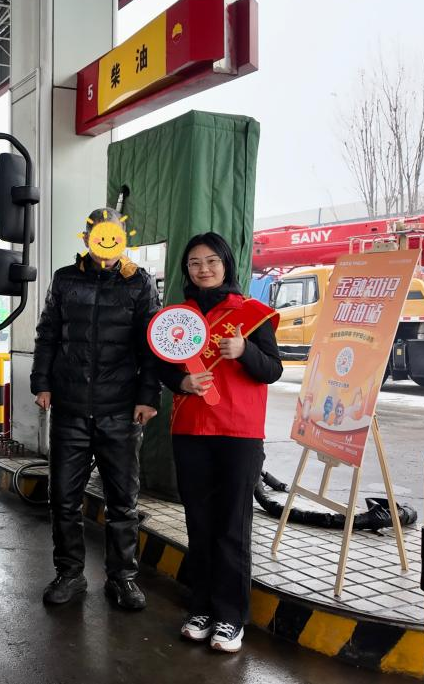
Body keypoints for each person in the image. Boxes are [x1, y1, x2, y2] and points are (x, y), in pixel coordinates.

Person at [156, 232, 282, 652]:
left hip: (239, 434)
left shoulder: (252, 314)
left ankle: (231, 617)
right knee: (199, 524)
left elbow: (272, 370)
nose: (203, 269)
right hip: (191, 431)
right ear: (186, 270)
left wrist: (245, 350)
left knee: (231, 527)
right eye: (194, 263)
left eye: (211, 260)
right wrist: (182, 383)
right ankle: (201, 608)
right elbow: (162, 368)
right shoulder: (176, 318)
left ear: (226, 263)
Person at [30, 208, 162, 611]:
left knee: (122, 502)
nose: (105, 241)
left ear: (124, 237)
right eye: (98, 234)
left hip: (120, 411)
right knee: (63, 499)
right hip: (69, 409)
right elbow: (47, 334)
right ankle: (70, 574)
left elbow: (151, 345)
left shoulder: (139, 283)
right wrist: (41, 383)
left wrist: (148, 396)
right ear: (86, 237)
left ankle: (122, 578)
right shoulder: (64, 279)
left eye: (113, 233)